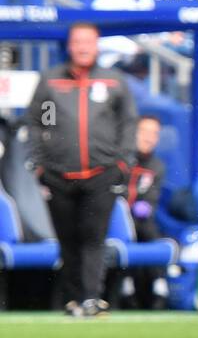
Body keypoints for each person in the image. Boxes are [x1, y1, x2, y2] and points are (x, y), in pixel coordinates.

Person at [24, 23, 137, 316]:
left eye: (89, 41)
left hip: (102, 173)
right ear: (69, 46)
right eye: (78, 42)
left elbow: (127, 124)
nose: (83, 47)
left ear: (97, 45)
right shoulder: (51, 82)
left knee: (93, 236)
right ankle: (74, 299)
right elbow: (40, 121)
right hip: (58, 174)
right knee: (67, 238)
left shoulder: (114, 81)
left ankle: (91, 297)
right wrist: (40, 161)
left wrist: (123, 162)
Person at [122, 114, 169, 310]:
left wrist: (144, 206)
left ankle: (159, 285)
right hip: (114, 219)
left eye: (154, 134)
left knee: (148, 228)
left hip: (140, 222)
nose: (149, 138)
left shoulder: (157, 166)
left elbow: (151, 198)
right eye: (144, 132)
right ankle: (125, 285)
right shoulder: (121, 160)